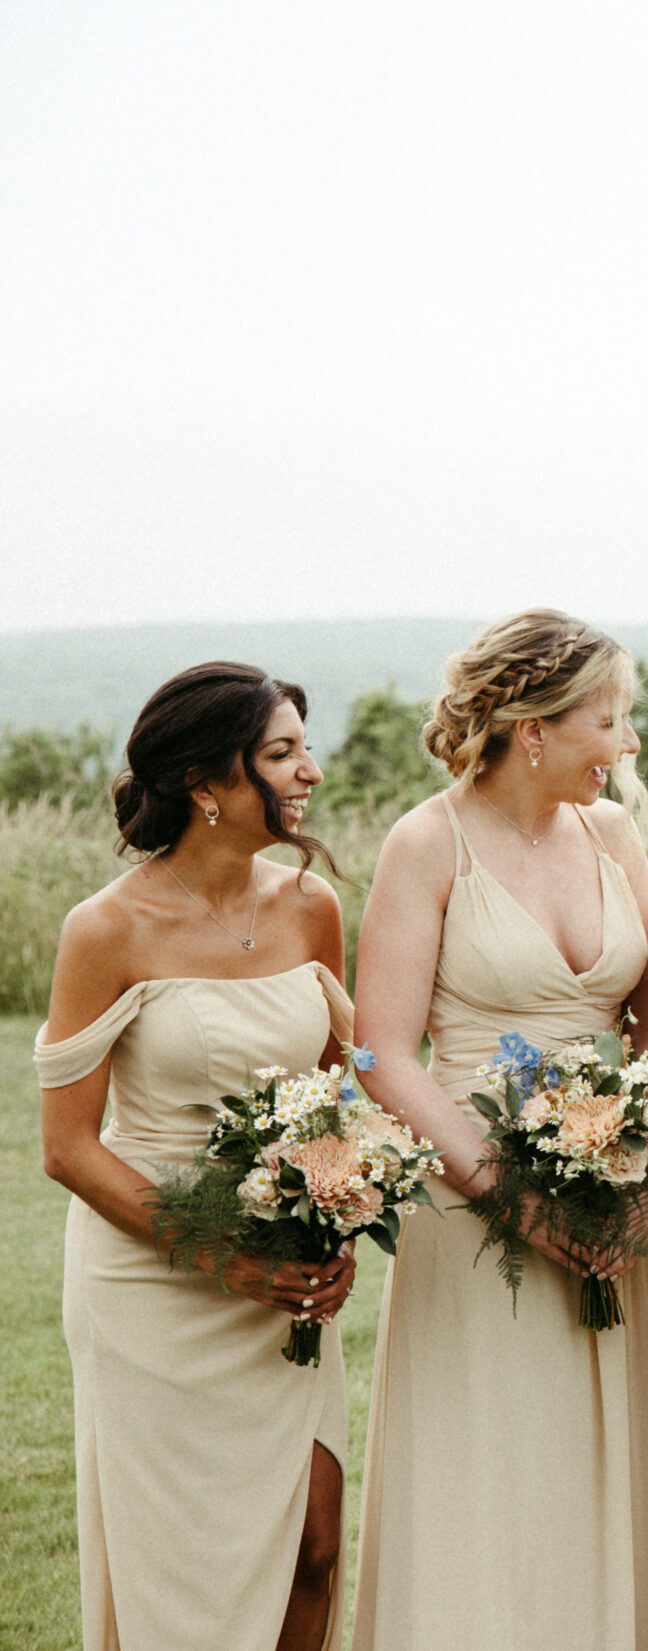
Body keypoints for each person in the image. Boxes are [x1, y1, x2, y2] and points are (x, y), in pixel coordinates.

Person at [348, 610, 648, 1651]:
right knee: (493, 1480)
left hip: (614, 1206)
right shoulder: (426, 842)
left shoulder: (612, 835)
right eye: (608, 719)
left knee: (607, 1466)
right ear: (531, 726)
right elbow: (384, 1053)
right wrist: (515, 1195)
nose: (626, 745)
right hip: (474, 1212)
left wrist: (642, 1172)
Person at [36, 661, 355, 1651]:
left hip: (288, 1275)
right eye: (280, 753)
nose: (309, 771)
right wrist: (228, 1260)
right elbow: (68, 1149)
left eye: (305, 746)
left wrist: (334, 1206)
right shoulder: (108, 928)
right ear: (204, 784)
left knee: (313, 1545)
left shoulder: (312, 907)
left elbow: (333, 1090)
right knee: (181, 1574)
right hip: (154, 1285)